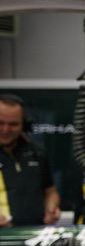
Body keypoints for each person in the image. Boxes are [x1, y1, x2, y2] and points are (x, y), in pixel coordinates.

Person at [0, 94, 60, 227]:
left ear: (25, 124)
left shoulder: (37, 151)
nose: (6, 129)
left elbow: (50, 191)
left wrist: (51, 208)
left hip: (34, 236)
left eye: (13, 124)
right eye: (1, 123)